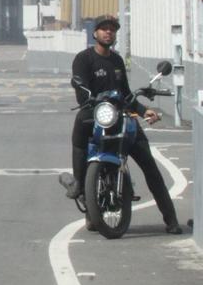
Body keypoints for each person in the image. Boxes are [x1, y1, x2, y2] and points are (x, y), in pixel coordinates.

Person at [64, 15, 183, 234]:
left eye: (112, 30)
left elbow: (126, 94)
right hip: (95, 113)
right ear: (95, 33)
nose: (108, 33)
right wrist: (91, 97)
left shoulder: (117, 60)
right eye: (104, 29)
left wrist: (143, 109)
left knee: (150, 166)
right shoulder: (83, 59)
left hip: (119, 116)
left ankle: (172, 220)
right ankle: (79, 184)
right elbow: (80, 87)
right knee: (80, 123)